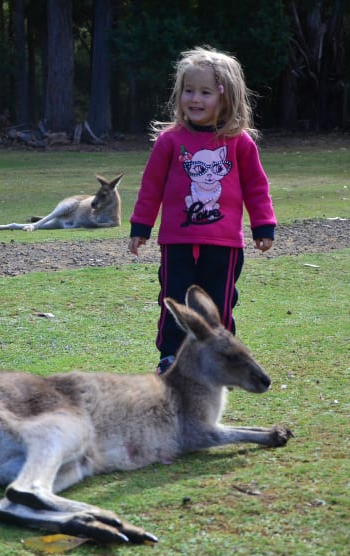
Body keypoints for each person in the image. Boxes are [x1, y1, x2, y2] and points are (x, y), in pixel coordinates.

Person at [128, 47, 277, 374]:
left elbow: (256, 187)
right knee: (174, 302)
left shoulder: (239, 143)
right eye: (188, 91)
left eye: (205, 92)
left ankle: (220, 361)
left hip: (223, 244)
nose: (194, 99)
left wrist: (263, 226)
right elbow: (151, 187)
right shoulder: (169, 141)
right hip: (176, 242)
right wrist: (141, 226)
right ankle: (171, 358)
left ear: (226, 97)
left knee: (219, 306)